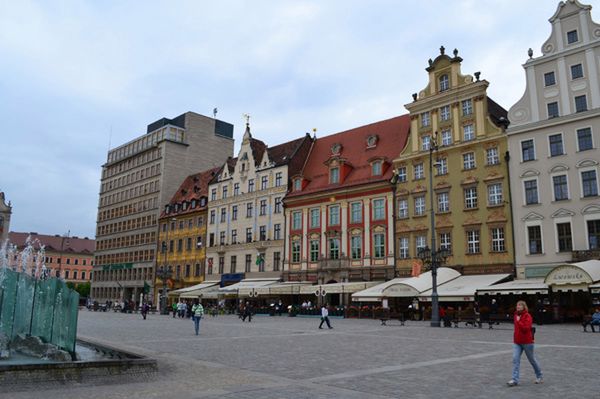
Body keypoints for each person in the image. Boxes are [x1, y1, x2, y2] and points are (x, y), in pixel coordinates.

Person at [507, 300, 543, 387]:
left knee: (532, 360)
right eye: (517, 305)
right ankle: (515, 379)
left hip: (527, 342)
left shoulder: (528, 316)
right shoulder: (516, 315)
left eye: (520, 305)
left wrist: (519, 321)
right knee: (515, 359)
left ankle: (539, 375)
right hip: (517, 342)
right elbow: (517, 328)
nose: (518, 306)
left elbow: (526, 329)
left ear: (524, 307)